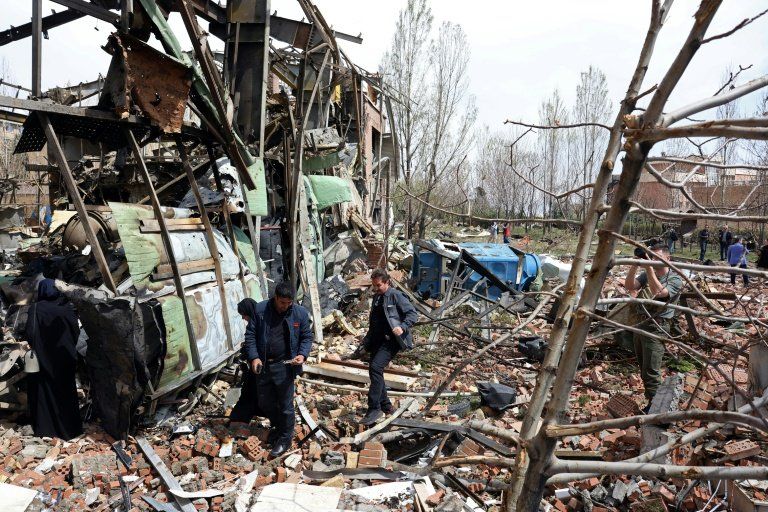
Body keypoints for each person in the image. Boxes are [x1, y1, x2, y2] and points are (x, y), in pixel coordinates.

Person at [230, 282, 313, 457]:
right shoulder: (261, 310)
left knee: (285, 404)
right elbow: (250, 336)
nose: (285, 306)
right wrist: (254, 357)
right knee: (265, 402)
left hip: (286, 366)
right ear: (275, 297)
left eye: (289, 303)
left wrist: (302, 354)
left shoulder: (299, 313)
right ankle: (280, 427)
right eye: (282, 302)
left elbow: (306, 337)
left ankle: (285, 438)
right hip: (264, 365)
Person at [624, 243, 684, 407]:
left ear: (668, 258)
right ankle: (652, 403)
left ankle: (657, 409)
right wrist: (634, 265)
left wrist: (649, 268)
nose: (653, 260)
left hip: (657, 327)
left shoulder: (675, 278)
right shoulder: (647, 274)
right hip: (641, 323)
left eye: (657, 257)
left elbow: (660, 292)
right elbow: (629, 286)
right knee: (644, 369)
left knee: (651, 371)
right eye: (651, 256)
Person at [24, 279, 83, 439]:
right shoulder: (66, 307)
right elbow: (76, 331)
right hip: (65, 355)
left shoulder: (35, 308)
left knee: (44, 391)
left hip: (43, 356)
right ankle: (70, 429)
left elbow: (30, 333)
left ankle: (45, 429)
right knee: (66, 390)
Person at [359, 269, 418, 426]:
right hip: (377, 341)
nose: (376, 288)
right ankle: (386, 406)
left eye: (378, 285)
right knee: (375, 371)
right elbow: (374, 323)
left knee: (376, 368)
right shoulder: (377, 298)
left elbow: (412, 314)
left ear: (387, 282)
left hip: (392, 341)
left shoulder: (396, 296)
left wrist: (402, 327)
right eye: (374, 285)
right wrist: (366, 341)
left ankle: (374, 408)